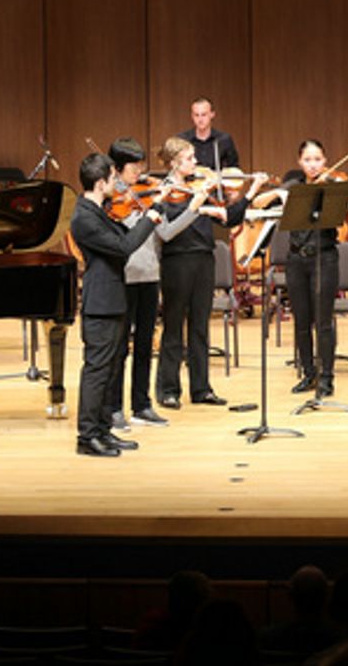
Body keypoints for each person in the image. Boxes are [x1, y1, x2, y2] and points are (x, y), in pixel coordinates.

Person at [156, 137, 265, 409]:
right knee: (173, 327)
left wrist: (251, 192)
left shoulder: (200, 187)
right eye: (190, 158)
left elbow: (231, 217)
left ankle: (201, 388)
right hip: (176, 262)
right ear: (174, 163)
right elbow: (168, 231)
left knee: (200, 326)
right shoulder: (164, 192)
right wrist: (198, 203)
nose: (197, 163)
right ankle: (168, 389)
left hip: (204, 259)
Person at [105, 137, 205, 431]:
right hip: (124, 278)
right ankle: (113, 409)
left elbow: (168, 233)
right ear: (118, 169)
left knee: (146, 347)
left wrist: (192, 208)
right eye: (133, 168)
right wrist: (143, 208)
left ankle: (141, 405)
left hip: (150, 277)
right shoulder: (113, 200)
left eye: (140, 166)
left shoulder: (148, 195)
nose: (139, 173)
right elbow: (124, 238)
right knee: (120, 348)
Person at [69, 152, 162, 457]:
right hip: (100, 302)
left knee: (109, 370)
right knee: (96, 371)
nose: (117, 183)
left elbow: (123, 233)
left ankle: (103, 430)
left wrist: (147, 209)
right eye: (112, 178)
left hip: (113, 300)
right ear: (100, 183)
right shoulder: (83, 217)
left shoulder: (99, 211)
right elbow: (124, 247)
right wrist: (150, 218)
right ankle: (87, 437)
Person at [282, 140, 344, 398]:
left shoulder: (333, 187)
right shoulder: (294, 188)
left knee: (324, 321)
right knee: (302, 322)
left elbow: (345, 218)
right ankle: (308, 373)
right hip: (296, 260)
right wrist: (277, 194)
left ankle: (327, 378)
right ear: (299, 162)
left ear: (325, 160)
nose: (313, 164)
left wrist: (336, 190)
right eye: (307, 160)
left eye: (317, 159)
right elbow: (263, 202)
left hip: (325, 258)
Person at [180, 96, 240, 172]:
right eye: (196, 115)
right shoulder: (182, 140)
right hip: (189, 183)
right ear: (192, 116)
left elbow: (234, 169)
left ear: (212, 114)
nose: (200, 119)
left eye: (204, 115)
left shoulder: (224, 139)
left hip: (216, 183)